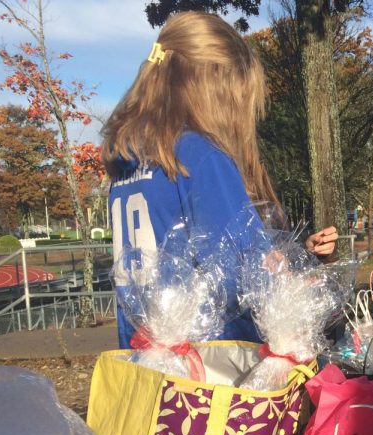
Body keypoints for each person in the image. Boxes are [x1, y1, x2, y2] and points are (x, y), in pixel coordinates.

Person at [102, 11, 336, 349]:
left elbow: (188, 250)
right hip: (210, 371)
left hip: (145, 358)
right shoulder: (199, 156)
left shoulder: (131, 162)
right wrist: (296, 285)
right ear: (215, 86)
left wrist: (296, 252)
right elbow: (244, 282)